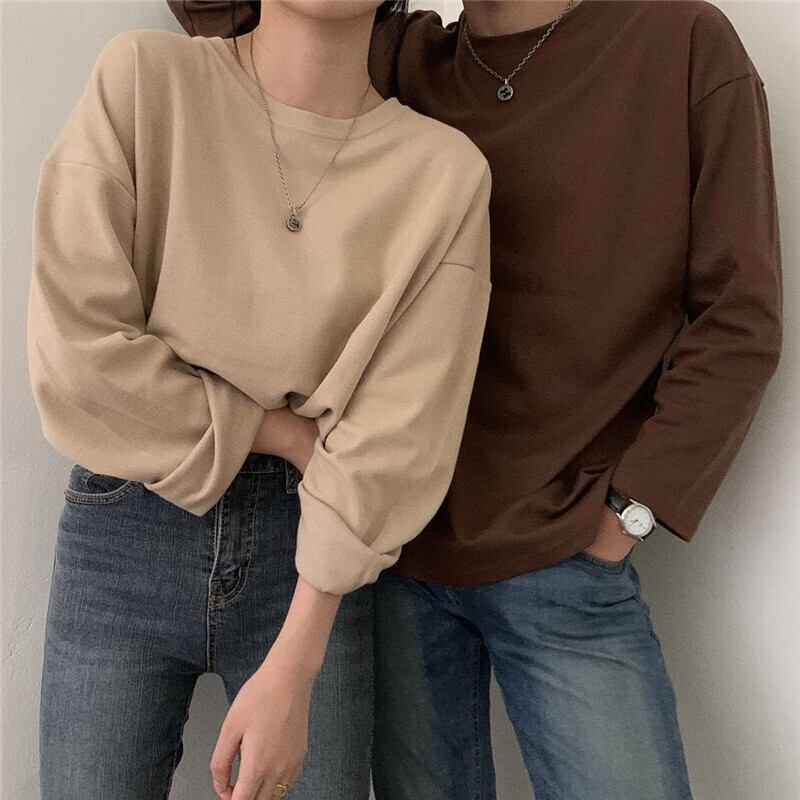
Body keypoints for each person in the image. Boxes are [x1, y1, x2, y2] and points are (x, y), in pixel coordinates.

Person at [168, 1, 782, 798]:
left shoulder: (679, 40)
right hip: (396, 561)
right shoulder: (399, 57)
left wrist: (631, 512)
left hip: (569, 559)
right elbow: (221, 16)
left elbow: (740, 316)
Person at [28, 2, 493, 799]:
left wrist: (298, 662)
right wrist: (280, 432)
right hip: (125, 524)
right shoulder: (146, 80)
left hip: (311, 555)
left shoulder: (442, 175)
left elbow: (398, 441)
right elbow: (76, 360)